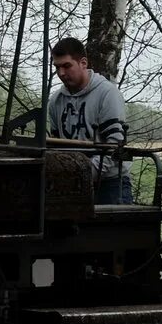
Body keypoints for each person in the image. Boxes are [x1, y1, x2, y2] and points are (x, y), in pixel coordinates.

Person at [48, 37, 133, 204]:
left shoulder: (107, 94)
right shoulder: (56, 101)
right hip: (71, 184)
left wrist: (86, 174)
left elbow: (115, 146)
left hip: (110, 185)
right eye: (57, 67)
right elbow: (55, 146)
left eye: (66, 66)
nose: (61, 73)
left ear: (83, 63)